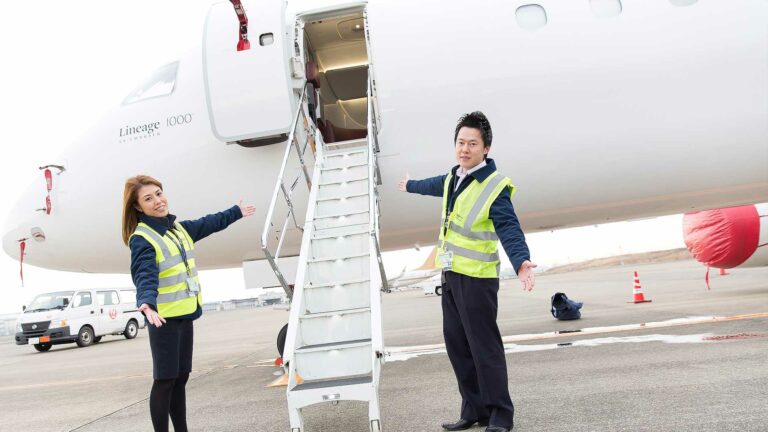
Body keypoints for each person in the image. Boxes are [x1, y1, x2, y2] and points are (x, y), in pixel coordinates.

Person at [398, 112, 536, 432]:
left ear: (485, 148)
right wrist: (409, 185)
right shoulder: (453, 178)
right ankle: (474, 409)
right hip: (450, 276)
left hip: (477, 278)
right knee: (458, 346)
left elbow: (508, 227)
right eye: (460, 142)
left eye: (472, 144)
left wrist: (522, 261)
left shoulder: (493, 185)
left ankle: (500, 415)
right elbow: (433, 185)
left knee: (484, 349)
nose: (464, 149)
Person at [121, 175, 256, 432]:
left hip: (185, 314)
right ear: (138, 207)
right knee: (164, 380)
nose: (158, 201)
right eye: (148, 198)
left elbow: (210, 223)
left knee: (181, 378)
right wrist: (146, 303)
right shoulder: (143, 238)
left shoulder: (178, 229)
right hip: (162, 319)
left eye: (159, 193)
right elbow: (144, 273)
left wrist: (235, 212)